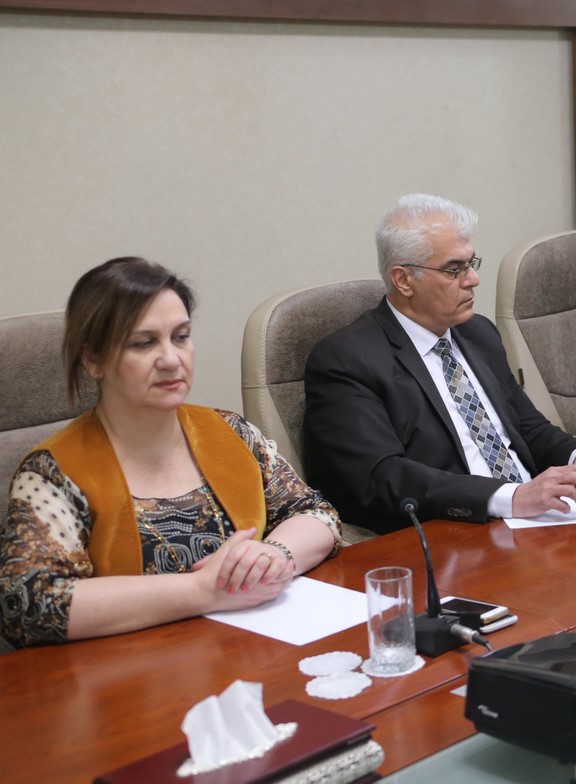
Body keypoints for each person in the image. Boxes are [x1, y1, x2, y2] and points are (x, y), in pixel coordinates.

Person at [0, 258, 341, 648]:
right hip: (133, 670)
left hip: (252, 651)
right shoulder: (52, 472)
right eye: (144, 343)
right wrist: (202, 590)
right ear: (92, 359)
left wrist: (275, 554)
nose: (171, 359)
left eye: (180, 337)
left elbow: (315, 513)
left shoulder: (231, 432)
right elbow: (29, 605)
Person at [303, 194, 576, 534]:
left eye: (471, 264)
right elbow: (384, 475)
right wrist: (509, 497)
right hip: (451, 528)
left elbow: (527, 426)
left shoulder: (477, 332)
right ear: (403, 280)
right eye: (454, 270)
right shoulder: (346, 360)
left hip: (536, 518)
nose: (473, 279)